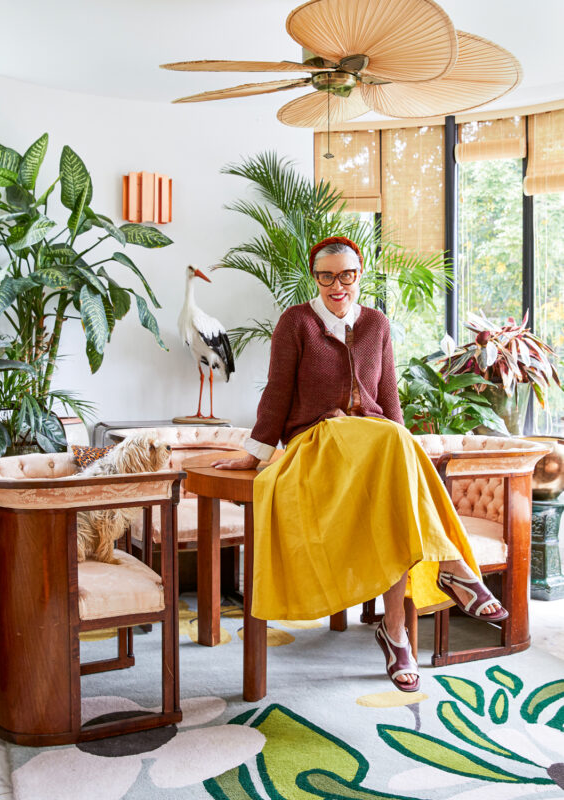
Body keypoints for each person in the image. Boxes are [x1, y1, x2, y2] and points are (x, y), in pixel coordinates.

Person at [212, 236, 507, 692]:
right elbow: (276, 394)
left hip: (373, 447)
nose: (337, 285)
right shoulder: (297, 323)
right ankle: (449, 568)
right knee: (388, 443)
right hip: (317, 442)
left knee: (392, 502)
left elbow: (388, 397)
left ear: (359, 275)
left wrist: (407, 450)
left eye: (346, 275)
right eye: (326, 276)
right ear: (315, 278)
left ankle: (396, 632)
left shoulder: (376, 325)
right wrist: (255, 451)